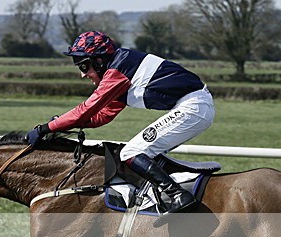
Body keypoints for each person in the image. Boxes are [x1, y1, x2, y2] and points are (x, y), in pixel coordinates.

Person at [26, 31, 215, 217]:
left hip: (193, 107)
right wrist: (63, 124)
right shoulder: (121, 69)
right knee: (143, 152)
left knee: (131, 152)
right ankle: (174, 191)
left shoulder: (116, 72)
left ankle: (178, 196)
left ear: (99, 61)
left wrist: (45, 128)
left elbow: (85, 110)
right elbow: (103, 116)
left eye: (83, 66)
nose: (83, 74)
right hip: (195, 107)